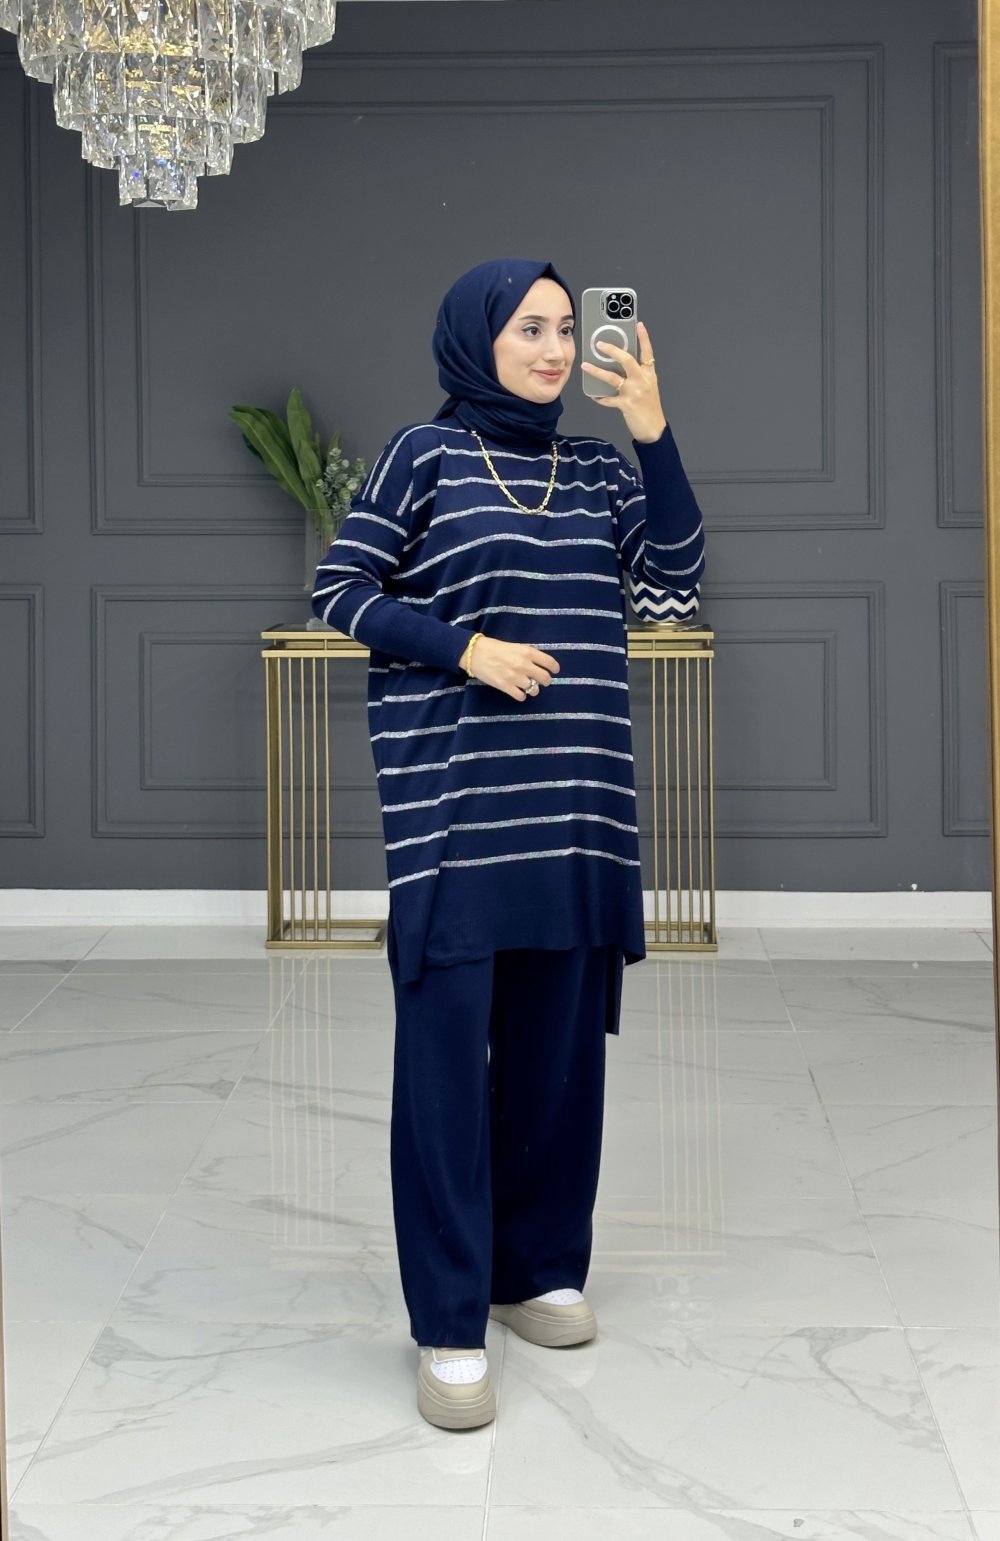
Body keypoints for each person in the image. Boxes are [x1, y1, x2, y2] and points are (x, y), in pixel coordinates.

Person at [311, 258, 705, 1431]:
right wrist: (465, 649)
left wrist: (653, 434)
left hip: (576, 813)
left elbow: (671, 591)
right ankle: (447, 1319)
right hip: (459, 817)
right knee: (444, 1073)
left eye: (565, 329)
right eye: (529, 327)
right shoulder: (422, 456)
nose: (552, 347)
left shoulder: (597, 468)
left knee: (557, 1060)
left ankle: (534, 1268)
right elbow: (340, 587)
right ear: (475, 338)